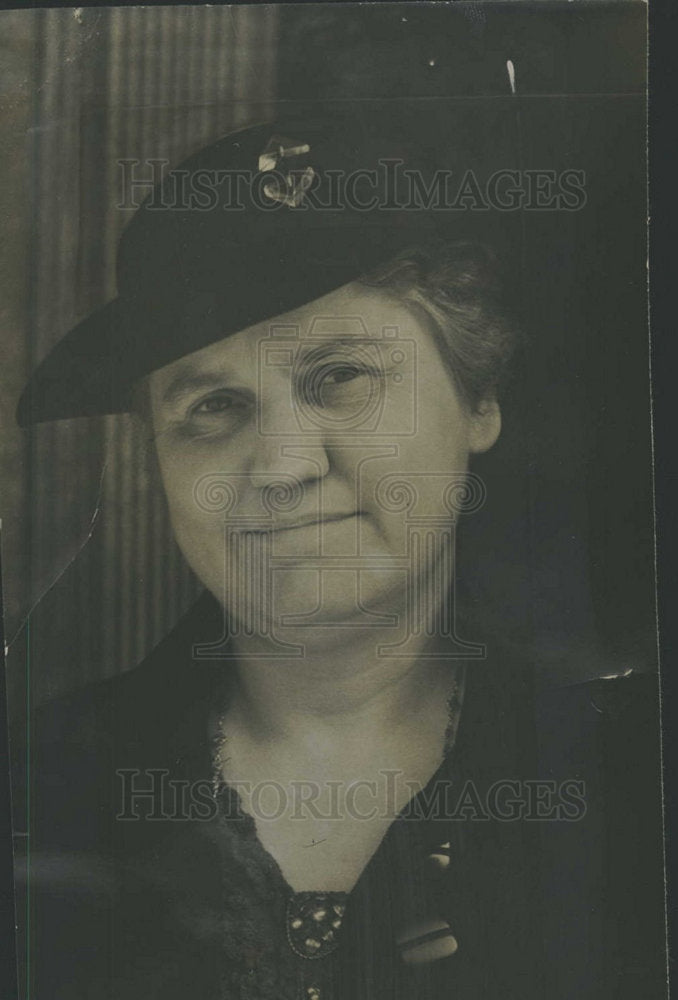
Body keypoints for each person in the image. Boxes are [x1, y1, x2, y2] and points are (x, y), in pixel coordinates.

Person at [12, 115, 665, 1000]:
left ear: (479, 399)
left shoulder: (631, 779)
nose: (284, 467)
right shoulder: (40, 794)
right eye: (212, 407)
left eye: (341, 378)